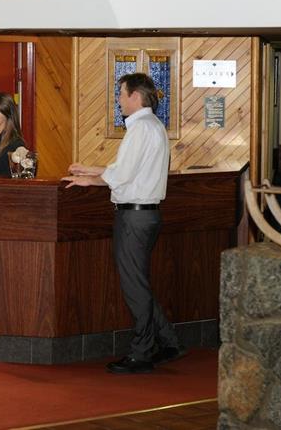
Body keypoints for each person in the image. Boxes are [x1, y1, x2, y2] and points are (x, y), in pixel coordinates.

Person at [62, 72, 183, 374]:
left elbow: (123, 174)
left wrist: (91, 179)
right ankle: (169, 342)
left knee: (134, 286)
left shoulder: (140, 128)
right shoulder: (153, 126)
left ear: (135, 96)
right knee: (138, 282)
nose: (118, 100)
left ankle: (142, 353)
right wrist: (92, 172)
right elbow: (128, 170)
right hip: (146, 214)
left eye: (121, 94)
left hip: (134, 217)